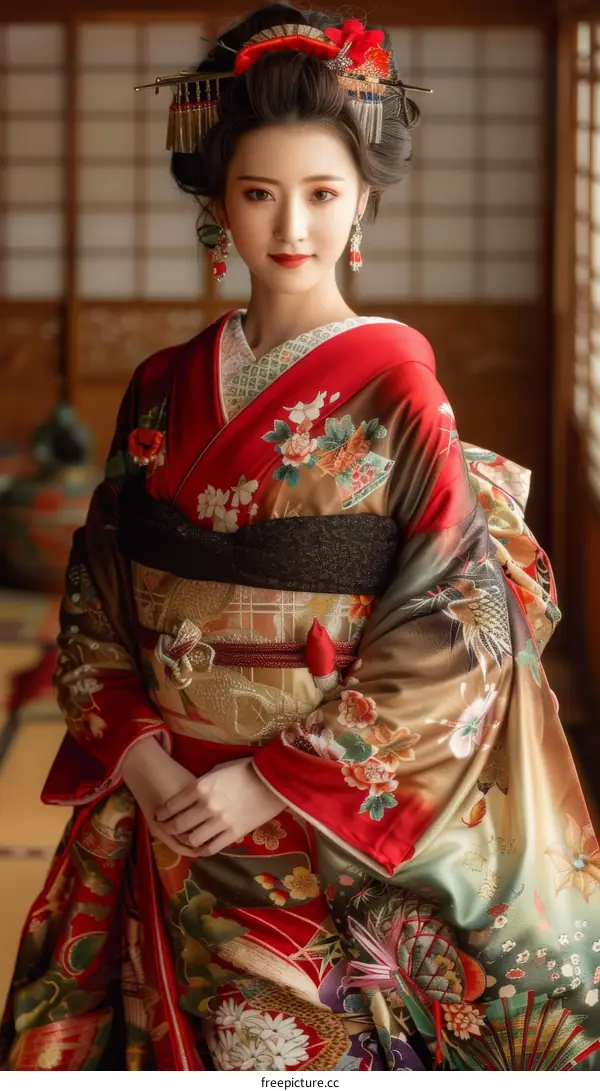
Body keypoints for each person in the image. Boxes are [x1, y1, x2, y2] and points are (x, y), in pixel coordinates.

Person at [1, 2, 599, 1072]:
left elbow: (455, 624)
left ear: (364, 199)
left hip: (312, 814)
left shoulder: (397, 387)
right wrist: (138, 755)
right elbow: (97, 590)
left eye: (323, 193)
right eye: (259, 193)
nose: (292, 226)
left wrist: (270, 779)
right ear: (217, 206)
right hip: (172, 801)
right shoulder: (161, 385)